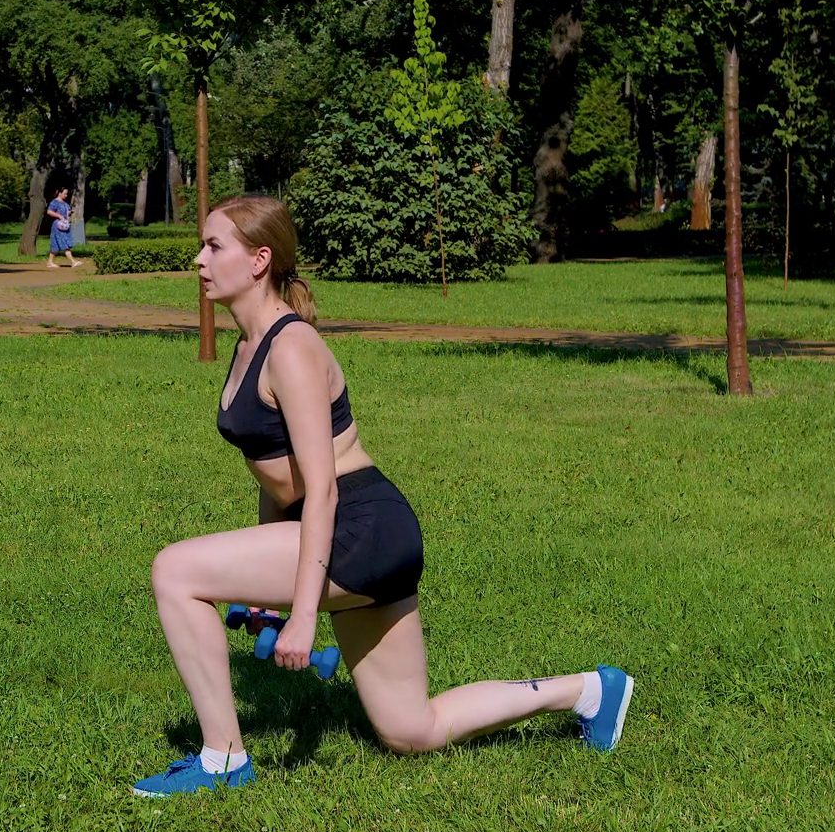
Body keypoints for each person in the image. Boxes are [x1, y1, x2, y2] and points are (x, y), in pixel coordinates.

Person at [131, 195, 634, 797]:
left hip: (359, 526)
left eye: (214, 246)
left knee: (175, 570)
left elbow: (320, 489)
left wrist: (304, 613)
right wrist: (265, 588)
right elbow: (277, 477)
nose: (199, 259)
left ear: (259, 260)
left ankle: (223, 761)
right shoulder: (247, 345)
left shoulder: (290, 348)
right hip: (352, 530)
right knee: (411, 730)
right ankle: (590, 691)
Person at [46, 187, 81, 268]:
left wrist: (69, 213)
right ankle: (73, 261)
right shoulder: (54, 202)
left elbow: (67, 212)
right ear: (59, 193)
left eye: (66, 194)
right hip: (58, 226)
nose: (66, 195)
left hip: (65, 226)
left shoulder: (65, 204)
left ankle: (50, 262)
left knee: (55, 244)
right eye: (64, 193)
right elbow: (49, 211)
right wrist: (58, 215)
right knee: (64, 243)